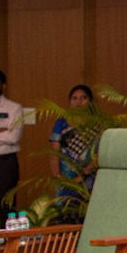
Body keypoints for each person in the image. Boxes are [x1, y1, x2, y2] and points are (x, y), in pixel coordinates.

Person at [49, 84, 99, 216]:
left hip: (90, 178)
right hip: (66, 179)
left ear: (90, 102)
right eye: (74, 98)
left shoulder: (98, 124)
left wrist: (84, 173)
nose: (79, 102)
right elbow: (54, 153)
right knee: (63, 214)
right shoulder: (61, 123)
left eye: (83, 98)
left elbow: (99, 154)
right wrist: (58, 177)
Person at [0, 68, 22, 228]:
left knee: (7, 208)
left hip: (4, 164)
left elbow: (13, 137)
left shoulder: (13, 108)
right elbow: (6, 136)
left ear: (3, 85)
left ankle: (9, 249)